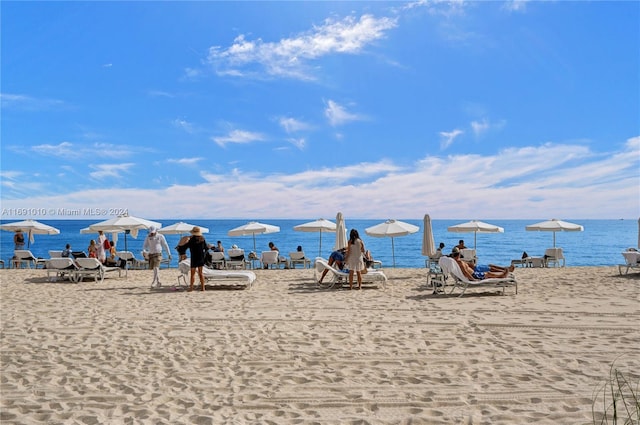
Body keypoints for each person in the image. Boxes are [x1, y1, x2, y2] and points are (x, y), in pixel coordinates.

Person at [177, 226, 208, 292]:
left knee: (192, 273)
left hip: (194, 257)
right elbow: (206, 248)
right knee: (200, 273)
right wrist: (204, 255)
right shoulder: (202, 239)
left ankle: (191, 288)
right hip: (201, 257)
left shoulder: (191, 240)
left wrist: (180, 247)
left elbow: (184, 247)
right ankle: (203, 288)